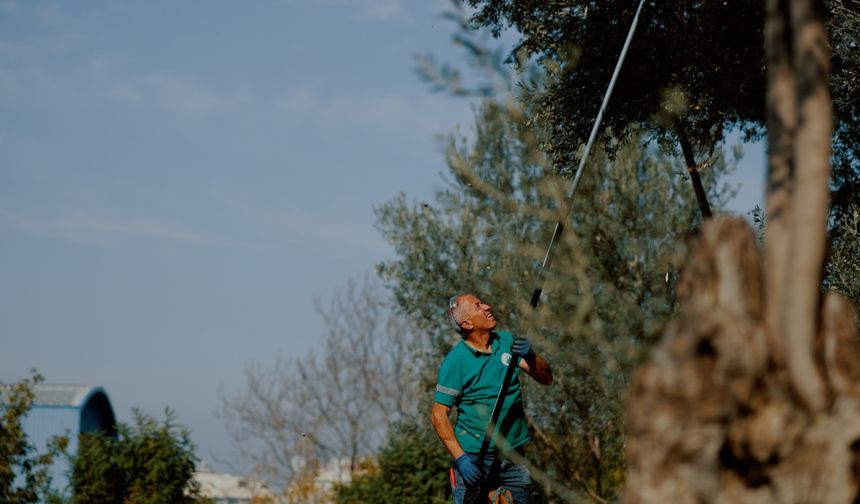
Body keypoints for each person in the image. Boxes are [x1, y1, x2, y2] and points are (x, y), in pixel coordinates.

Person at [431, 293, 553, 504]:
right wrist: (461, 458)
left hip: (513, 455)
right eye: (478, 306)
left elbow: (546, 378)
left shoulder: (506, 342)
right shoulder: (456, 361)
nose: (487, 306)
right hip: (475, 458)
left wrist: (531, 355)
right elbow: (438, 415)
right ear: (467, 324)